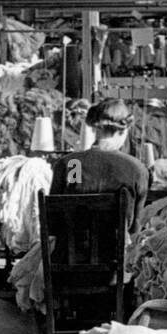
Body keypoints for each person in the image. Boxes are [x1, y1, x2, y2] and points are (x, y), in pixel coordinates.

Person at [50, 98, 149, 235]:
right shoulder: (136, 169)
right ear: (124, 130)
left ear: (95, 128)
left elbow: (53, 223)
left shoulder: (70, 164)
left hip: (67, 253)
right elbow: (135, 227)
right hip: (116, 254)